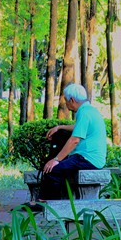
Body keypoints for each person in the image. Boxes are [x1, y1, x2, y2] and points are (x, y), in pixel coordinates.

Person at [24, 83, 107, 211]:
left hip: (87, 158)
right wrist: (60, 127)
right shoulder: (89, 110)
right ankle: (47, 201)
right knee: (56, 167)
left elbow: (74, 140)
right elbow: (79, 128)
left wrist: (56, 159)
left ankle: (48, 204)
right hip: (90, 157)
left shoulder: (84, 113)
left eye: (66, 101)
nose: (66, 104)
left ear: (72, 100)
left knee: (53, 169)